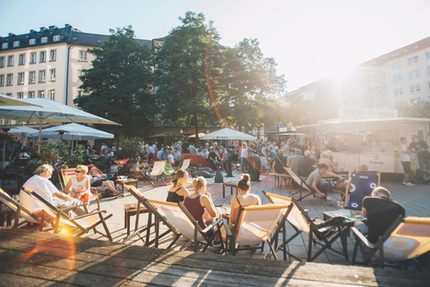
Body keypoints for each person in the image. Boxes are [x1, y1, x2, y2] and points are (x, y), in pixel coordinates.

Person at [19, 164, 85, 216]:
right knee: (76, 202)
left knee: (65, 204)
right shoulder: (43, 181)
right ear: (44, 172)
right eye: (50, 174)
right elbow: (59, 195)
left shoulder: (33, 179)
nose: (50, 177)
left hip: (30, 208)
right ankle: (87, 218)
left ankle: (72, 223)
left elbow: (52, 194)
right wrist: (73, 199)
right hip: (46, 209)